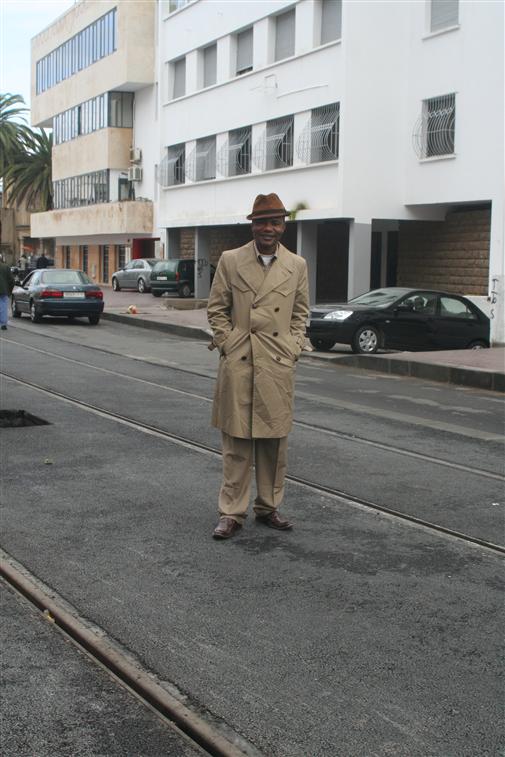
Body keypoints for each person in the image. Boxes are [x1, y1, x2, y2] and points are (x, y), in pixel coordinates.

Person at [207, 193, 310, 540]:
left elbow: (300, 314)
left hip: (277, 364)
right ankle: (231, 512)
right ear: (252, 225)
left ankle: (268, 507)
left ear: (283, 226)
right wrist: (228, 343)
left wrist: (293, 348)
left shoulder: (297, 265)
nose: (268, 228)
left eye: (275, 222)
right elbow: (216, 309)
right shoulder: (231, 260)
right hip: (240, 361)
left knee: (273, 444)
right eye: (262, 221)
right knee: (236, 445)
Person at [0, 257, 15, 331]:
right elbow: (12, 280)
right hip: (4, 291)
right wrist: (9, 291)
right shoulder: (6, 267)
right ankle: (3, 324)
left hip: (4, 290)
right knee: (3, 307)